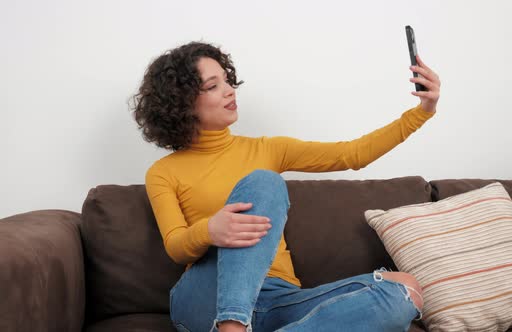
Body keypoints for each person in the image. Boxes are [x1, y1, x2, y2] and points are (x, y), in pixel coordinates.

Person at [131, 41, 440, 332]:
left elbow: (351, 154)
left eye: (227, 80)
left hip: (278, 301)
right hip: (207, 296)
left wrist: (421, 113)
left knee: (404, 292)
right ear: (181, 103)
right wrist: (210, 230)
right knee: (263, 182)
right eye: (213, 86)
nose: (229, 91)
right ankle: (233, 325)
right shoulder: (163, 172)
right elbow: (175, 246)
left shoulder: (267, 150)